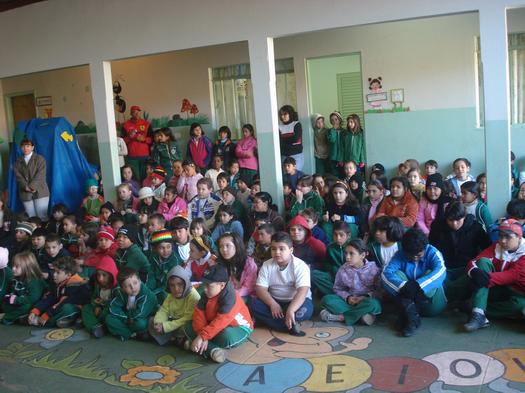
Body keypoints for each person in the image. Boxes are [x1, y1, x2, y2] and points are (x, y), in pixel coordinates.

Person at [381, 228, 447, 337]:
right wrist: (404, 287)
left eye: (419, 255)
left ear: (425, 248)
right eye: (411, 255)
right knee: (397, 274)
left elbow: (441, 271)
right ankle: (412, 318)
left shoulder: (433, 252)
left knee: (430, 272)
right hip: (409, 303)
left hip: (431, 305)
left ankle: (407, 316)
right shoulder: (400, 254)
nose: (415, 258)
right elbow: (385, 274)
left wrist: (417, 286)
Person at [183, 264, 253, 363]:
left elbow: (221, 321)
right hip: (213, 326)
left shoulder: (231, 297)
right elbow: (199, 315)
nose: (205, 288)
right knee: (188, 325)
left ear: (222, 285)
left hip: (237, 327)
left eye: (209, 285)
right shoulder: (206, 294)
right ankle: (213, 350)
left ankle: (193, 344)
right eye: (204, 284)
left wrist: (202, 337)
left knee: (227, 336)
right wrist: (202, 336)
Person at [464, 219, 525, 332]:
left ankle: (474, 306)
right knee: (482, 262)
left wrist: (484, 279)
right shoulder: (496, 246)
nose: (502, 240)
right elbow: (476, 261)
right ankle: (478, 313)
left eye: (508, 237)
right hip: (498, 287)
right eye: (500, 236)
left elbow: (513, 275)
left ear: (519, 237)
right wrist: (473, 271)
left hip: (518, 293)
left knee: (519, 306)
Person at [250, 232, 313, 336]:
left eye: (282, 249)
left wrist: (291, 309)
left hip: (296, 301)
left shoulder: (300, 266)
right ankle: (290, 326)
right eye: (273, 249)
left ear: (291, 250)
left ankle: (269, 321)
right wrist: (272, 304)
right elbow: (260, 289)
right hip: (274, 301)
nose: (277, 252)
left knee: (304, 311)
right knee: (253, 303)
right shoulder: (266, 265)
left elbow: (302, 291)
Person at [429, 202, 490, 303]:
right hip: (444, 268)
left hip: (466, 268)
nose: (454, 224)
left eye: (458, 220)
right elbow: (432, 248)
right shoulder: (437, 226)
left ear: (464, 217)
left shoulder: (475, 227)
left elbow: (486, 248)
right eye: (450, 220)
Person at [320, 239, 382, 325]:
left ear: (363, 255)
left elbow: (379, 290)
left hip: (365, 301)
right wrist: (348, 297)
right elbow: (337, 288)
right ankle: (361, 316)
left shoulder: (374, 269)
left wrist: (365, 297)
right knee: (327, 299)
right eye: (346, 253)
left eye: (351, 253)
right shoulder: (343, 269)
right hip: (350, 302)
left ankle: (341, 317)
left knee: (374, 304)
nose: (347, 257)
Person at [29, 256, 90, 327]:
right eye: (54, 271)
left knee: (66, 308)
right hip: (62, 305)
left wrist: (46, 315)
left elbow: (63, 302)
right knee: (53, 305)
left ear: (68, 275)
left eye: (58, 272)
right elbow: (50, 298)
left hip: (77, 308)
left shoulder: (75, 283)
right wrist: (36, 310)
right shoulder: (59, 282)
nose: (54, 274)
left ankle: (44, 322)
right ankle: (66, 321)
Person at [149, 265, 200, 346]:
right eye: (172, 285)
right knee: (152, 320)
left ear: (186, 283)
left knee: (187, 327)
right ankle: (175, 339)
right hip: (173, 321)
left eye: (180, 284)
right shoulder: (171, 294)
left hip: (184, 323)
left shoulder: (193, 296)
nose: (176, 289)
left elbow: (187, 318)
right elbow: (164, 310)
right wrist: (159, 322)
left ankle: (180, 339)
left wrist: (165, 327)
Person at [106, 267, 158, 341]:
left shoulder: (148, 295)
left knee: (140, 324)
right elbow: (113, 307)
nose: (133, 288)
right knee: (109, 318)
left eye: (135, 283)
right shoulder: (121, 293)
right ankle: (130, 334)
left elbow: (140, 314)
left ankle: (123, 332)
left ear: (140, 281)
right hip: (128, 318)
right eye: (127, 286)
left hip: (144, 318)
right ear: (122, 288)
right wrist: (125, 318)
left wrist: (127, 317)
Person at [1, 251, 46, 325]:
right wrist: (10, 296)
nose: (13, 269)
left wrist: (16, 300)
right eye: (13, 266)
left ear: (27, 267)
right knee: (5, 304)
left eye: (17, 267)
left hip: (33, 304)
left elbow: (33, 298)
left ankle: (7, 318)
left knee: (27, 307)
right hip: (20, 301)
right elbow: (14, 290)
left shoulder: (34, 281)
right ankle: (19, 317)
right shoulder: (17, 278)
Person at [81, 255, 118, 338]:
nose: (100, 279)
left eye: (104, 275)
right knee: (86, 308)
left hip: (109, 311)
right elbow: (94, 298)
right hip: (99, 309)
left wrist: (103, 304)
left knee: (108, 312)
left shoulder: (117, 288)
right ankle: (96, 326)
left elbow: (117, 303)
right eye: (98, 275)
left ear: (111, 275)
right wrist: (96, 304)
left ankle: (96, 325)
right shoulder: (98, 285)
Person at [13, 138, 50, 220]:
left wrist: (32, 186)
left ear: (32, 147)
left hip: (40, 191)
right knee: (31, 217)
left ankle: (43, 232)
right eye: (23, 146)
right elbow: (18, 177)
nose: (25, 148)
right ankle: (33, 232)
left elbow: (41, 174)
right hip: (25, 192)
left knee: (42, 216)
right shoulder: (17, 162)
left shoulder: (40, 159)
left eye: (28, 146)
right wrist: (25, 186)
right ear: (20, 148)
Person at [311, 220, 351, 296]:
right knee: (313, 274)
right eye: (335, 235)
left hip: (349, 278)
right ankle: (341, 294)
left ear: (348, 236)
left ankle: (339, 294)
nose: (338, 238)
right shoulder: (330, 247)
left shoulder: (353, 248)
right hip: (334, 276)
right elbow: (326, 264)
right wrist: (334, 269)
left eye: (341, 235)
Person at [216, 232, 257, 300]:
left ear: (237, 245)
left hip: (246, 296)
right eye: (221, 246)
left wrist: (230, 295)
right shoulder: (223, 263)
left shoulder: (250, 264)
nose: (224, 249)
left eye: (227, 245)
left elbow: (248, 288)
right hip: (230, 293)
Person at [147, 229, 181, 303]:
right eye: (161, 248)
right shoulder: (153, 257)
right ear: (155, 249)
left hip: (169, 288)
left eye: (168, 247)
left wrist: (154, 292)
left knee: (164, 297)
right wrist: (149, 290)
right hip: (157, 287)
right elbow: (150, 275)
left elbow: (170, 282)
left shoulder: (175, 260)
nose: (166, 250)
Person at [122, 105, 152, 181]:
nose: (136, 114)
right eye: (134, 112)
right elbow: (122, 141)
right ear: (131, 114)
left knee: (146, 176)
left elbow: (152, 140)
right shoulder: (126, 125)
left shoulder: (146, 124)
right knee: (134, 177)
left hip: (145, 155)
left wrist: (144, 139)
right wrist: (129, 137)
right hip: (131, 156)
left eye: (138, 112)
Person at [278, 105, 304, 171]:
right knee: (286, 176)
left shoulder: (296, 124)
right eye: (281, 114)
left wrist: (284, 139)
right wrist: (289, 140)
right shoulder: (279, 127)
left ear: (290, 114)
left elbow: (296, 139)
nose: (282, 116)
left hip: (296, 155)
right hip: (284, 155)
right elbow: (279, 142)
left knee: (295, 174)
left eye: (285, 114)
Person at [327, 111, 344, 176]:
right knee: (334, 175)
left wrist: (342, 159)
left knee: (342, 175)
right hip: (333, 158)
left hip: (342, 158)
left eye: (336, 119)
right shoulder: (329, 131)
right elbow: (332, 140)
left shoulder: (344, 131)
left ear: (340, 120)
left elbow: (345, 146)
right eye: (332, 120)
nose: (334, 121)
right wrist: (333, 130)